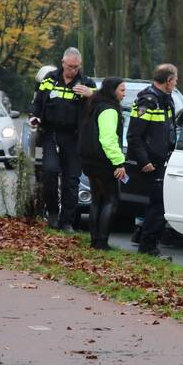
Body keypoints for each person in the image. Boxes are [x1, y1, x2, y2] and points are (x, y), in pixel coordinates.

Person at [28, 48, 96, 231]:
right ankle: (52, 213)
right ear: (63, 63)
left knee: (71, 181)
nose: (72, 70)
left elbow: (104, 102)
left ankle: (66, 221)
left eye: (76, 67)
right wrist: (34, 116)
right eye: (70, 66)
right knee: (49, 173)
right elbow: (37, 101)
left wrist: (91, 94)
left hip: (74, 137)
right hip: (50, 134)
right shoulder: (49, 79)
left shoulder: (86, 83)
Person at [127, 63, 178, 257]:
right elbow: (134, 135)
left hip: (163, 160)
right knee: (158, 204)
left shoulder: (166, 99)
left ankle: (146, 242)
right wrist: (144, 161)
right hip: (150, 163)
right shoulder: (148, 101)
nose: (176, 83)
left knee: (157, 205)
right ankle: (147, 246)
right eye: (175, 80)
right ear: (169, 80)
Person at [79, 77, 127, 250]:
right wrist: (119, 162)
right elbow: (108, 139)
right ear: (112, 91)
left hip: (90, 161)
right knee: (111, 200)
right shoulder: (109, 109)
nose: (124, 94)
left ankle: (94, 240)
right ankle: (102, 242)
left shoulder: (94, 105)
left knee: (96, 200)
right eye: (122, 90)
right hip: (104, 162)